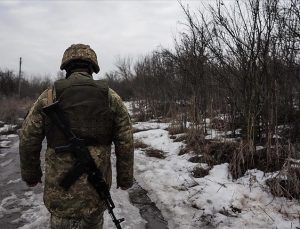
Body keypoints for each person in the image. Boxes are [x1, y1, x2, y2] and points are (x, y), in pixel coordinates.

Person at [19, 44, 134, 229]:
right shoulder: (110, 97)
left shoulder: (48, 97)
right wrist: (126, 179)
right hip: (94, 196)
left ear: (66, 68)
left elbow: (28, 139)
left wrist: (31, 175)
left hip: (60, 198)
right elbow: (125, 141)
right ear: (92, 68)